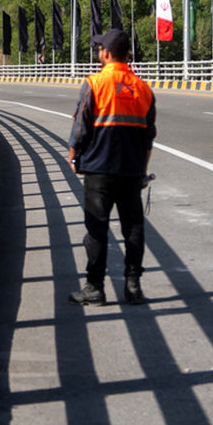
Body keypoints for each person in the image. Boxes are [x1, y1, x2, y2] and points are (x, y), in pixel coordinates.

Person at [66, 28, 156, 306]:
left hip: (98, 170)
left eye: (99, 48)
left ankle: (94, 288)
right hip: (131, 170)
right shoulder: (143, 88)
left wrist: (72, 156)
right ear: (127, 54)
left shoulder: (94, 83)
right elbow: (148, 137)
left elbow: (81, 126)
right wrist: (142, 170)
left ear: (106, 53)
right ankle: (133, 286)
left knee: (96, 230)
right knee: (133, 228)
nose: (98, 52)